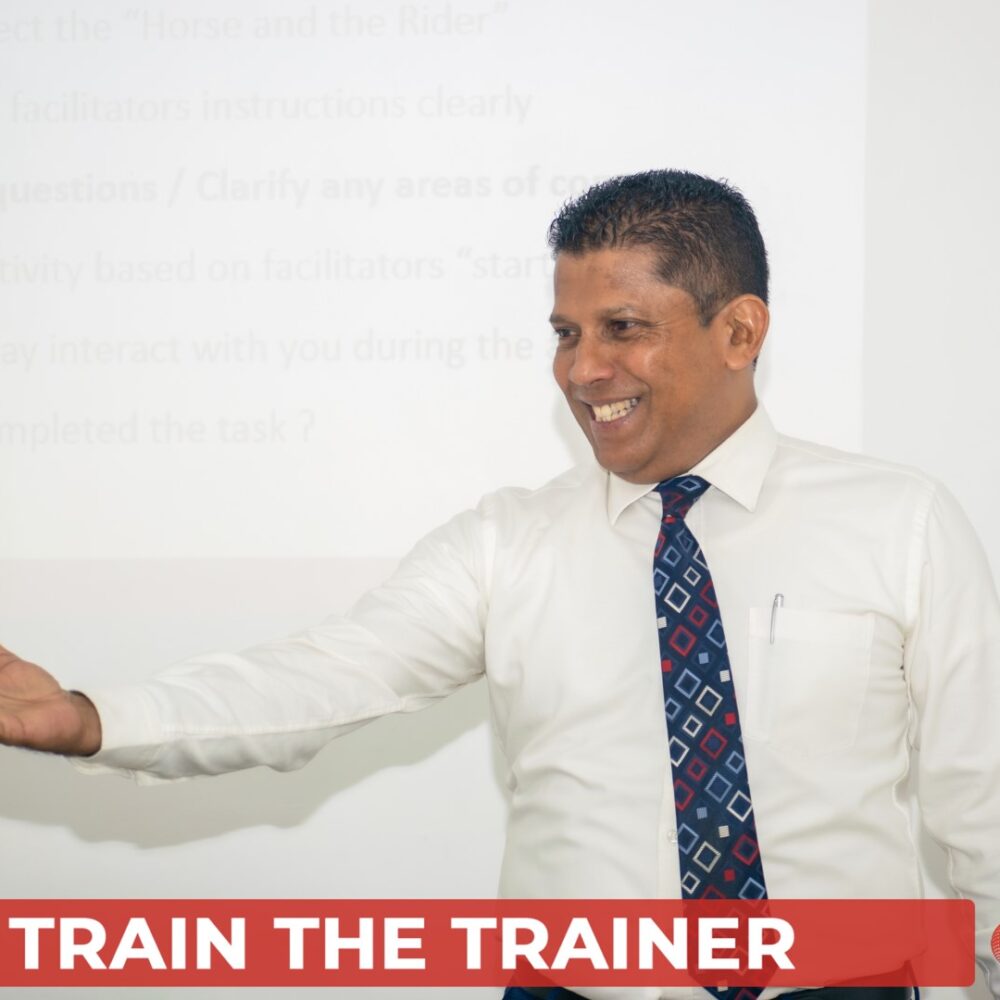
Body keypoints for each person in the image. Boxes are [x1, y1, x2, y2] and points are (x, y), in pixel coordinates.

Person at [0, 170, 997, 1000]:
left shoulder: (898, 521)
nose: (583, 370)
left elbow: (981, 802)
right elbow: (319, 678)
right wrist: (93, 718)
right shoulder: (505, 542)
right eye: (565, 333)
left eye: (621, 327)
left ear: (739, 332)